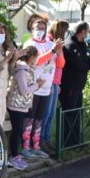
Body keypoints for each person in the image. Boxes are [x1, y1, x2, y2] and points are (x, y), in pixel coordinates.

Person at [22, 13, 61, 159]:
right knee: (30, 119)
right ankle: (26, 147)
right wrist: (52, 52)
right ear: (31, 29)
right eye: (37, 28)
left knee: (39, 119)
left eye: (43, 28)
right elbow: (36, 61)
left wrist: (59, 51)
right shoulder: (30, 44)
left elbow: (60, 63)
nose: (40, 30)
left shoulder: (50, 44)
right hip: (33, 88)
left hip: (46, 88)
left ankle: (36, 146)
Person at [60, 22, 90, 149]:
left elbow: (85, 59)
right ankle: (67, 143)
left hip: (78, 86)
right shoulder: (69, 45)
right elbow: (78, 64)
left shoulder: (81, 45)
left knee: (77, 113)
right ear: (83, 32)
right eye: (87, 32)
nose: (88, 34)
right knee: (69, 114)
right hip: (70, 86)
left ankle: (76, 141)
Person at [40, 19, 69, 155]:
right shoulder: (49, 42)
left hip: (55, 81)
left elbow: (61, 63)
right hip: (48, 81)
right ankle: (41, 140)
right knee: (45, 114)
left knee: (51, 114)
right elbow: (55, 63)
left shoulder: (58, 44)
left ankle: (47, 138)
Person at [5, 47, 37, 170]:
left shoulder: (26, 69)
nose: (36, 59)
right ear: (31, 57)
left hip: (21, 106)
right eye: (35, 57)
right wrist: (37, 85)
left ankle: (15, 155)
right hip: (16, 105)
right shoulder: (22, 70)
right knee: (16, 132)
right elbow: (24, 90)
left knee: (18, 131)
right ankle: (14, 156)